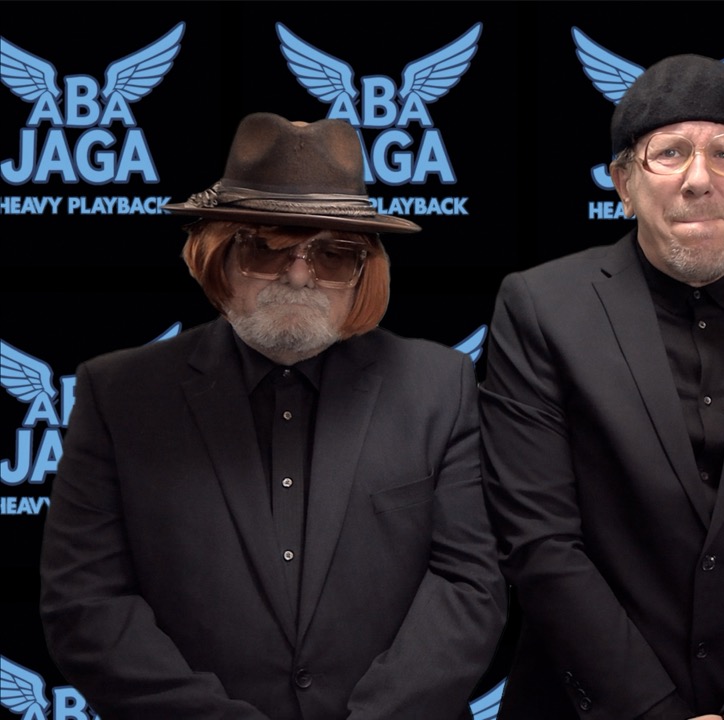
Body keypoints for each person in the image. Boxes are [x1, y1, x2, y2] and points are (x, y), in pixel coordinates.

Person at [40, 112, 506, 720]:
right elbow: (86, 603)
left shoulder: (439, 386)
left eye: (332, 255)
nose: (299, 275)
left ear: (364, 272)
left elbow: (469, 586)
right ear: (215, 255)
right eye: (266, 248)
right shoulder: (119, 394)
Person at [479, 54, 724, 720]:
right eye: (669, 153)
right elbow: (538, 540)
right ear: (623, 183)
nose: (699, 179)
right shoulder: (540, 308)